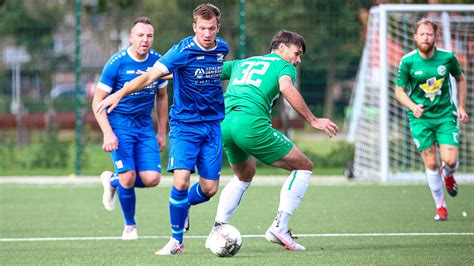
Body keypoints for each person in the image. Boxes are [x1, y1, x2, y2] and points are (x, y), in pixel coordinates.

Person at [96, 3, 228, 255]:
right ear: (194, 27)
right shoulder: (181, 50)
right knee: (180, 180)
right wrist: (120, 93)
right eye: (202, 28)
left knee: (210, 188)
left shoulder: (222, 48)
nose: (207, 34)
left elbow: (198, 73)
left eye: (211, 28)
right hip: (184, 126)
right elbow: (148, 77)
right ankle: (176, 240)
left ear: (217, 28)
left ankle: (185, 205)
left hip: (212, 126)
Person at [205, 30, 338, 251]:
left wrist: (161, 72)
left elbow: (204, 73)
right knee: (304, 166)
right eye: (297, 53)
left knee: (244, 175)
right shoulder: (282, 65)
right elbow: (286, 88)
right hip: (250, 124)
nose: (298, 60)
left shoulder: (243, 62)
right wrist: (313, 120)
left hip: (225, 124)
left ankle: (217, 229)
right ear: (281, 48)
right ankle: (280, 227)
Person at [91, 17, 169, 240]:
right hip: (119, 124)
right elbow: (97, 102)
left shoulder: (159, 62)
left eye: (149, 36)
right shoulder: (116, 63)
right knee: (128, 177)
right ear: (131, 38)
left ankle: (111, 180)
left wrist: (161, 132)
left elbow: (162, 97)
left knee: (153, 178)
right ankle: (130, 227)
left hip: (144, 125)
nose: (145, 40)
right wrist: (108, 132)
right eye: (141, 35)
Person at [395, 18, 468, 221]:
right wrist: (412, 106)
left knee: (450, 160)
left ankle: (449, 175)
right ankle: (441, 207)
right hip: (420, 119)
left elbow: (461, 79)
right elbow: (399, 91)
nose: (426, 38)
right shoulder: (407, 61)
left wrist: (461, 106)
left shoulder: (448, 57)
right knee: (431, 163)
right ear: (415, 37)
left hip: (445, 115)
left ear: (436, 37)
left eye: (429, 34)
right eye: (422, 34)